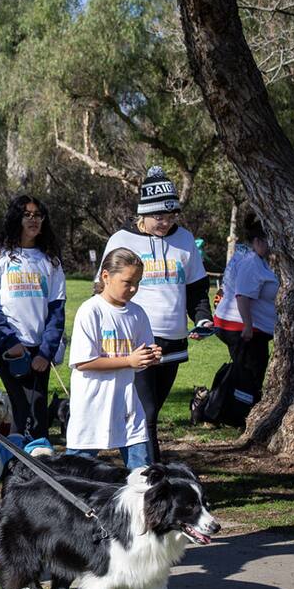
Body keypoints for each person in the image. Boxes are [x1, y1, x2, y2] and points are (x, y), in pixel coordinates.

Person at [99, 166, 213, 464]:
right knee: (145, 412)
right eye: (158, 217)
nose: (165, 223)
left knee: (150, 412)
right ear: (143, 214)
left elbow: (197, 287)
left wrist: (202, 318)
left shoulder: (185, 240)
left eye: (171, 216)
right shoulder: (120, 240)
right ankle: (151, 479)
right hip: (136, 338)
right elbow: (104, 288)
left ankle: (143, 473)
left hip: (174, 340)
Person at [0, 194, 67, 441]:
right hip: (9, 349)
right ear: (16, 218)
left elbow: (57, 311)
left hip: (39, 351)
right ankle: (14, 470)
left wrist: (45, 352)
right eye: (26, 215)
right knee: (21, 408)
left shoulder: (51, 261)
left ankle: (36, 467)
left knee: (37, 411)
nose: (33, 220)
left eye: (37, 215)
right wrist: (11, 343)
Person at [65, 247, 161, 468]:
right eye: (127, 282)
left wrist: (150, 357)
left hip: (127, 408)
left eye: (138, 282)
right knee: (75, 474)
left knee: (142, 474)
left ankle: (140, 504)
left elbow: (139, 358)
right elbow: (83, 361)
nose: (134, 288)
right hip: (92, 407)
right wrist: (129, 360)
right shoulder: (91, 311)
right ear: (106, 276)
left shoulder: (137, 313)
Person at [213, 220, 277, 396]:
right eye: (269, 241)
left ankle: (231, 410)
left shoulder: (250, 257)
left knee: (248, 373)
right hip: (242, 329)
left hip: (246, 328)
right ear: (257, 241)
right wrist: (248, 326)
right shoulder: (251, 262)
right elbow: (242, 296)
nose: (273, 246)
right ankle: (237, 411)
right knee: (250, 375)